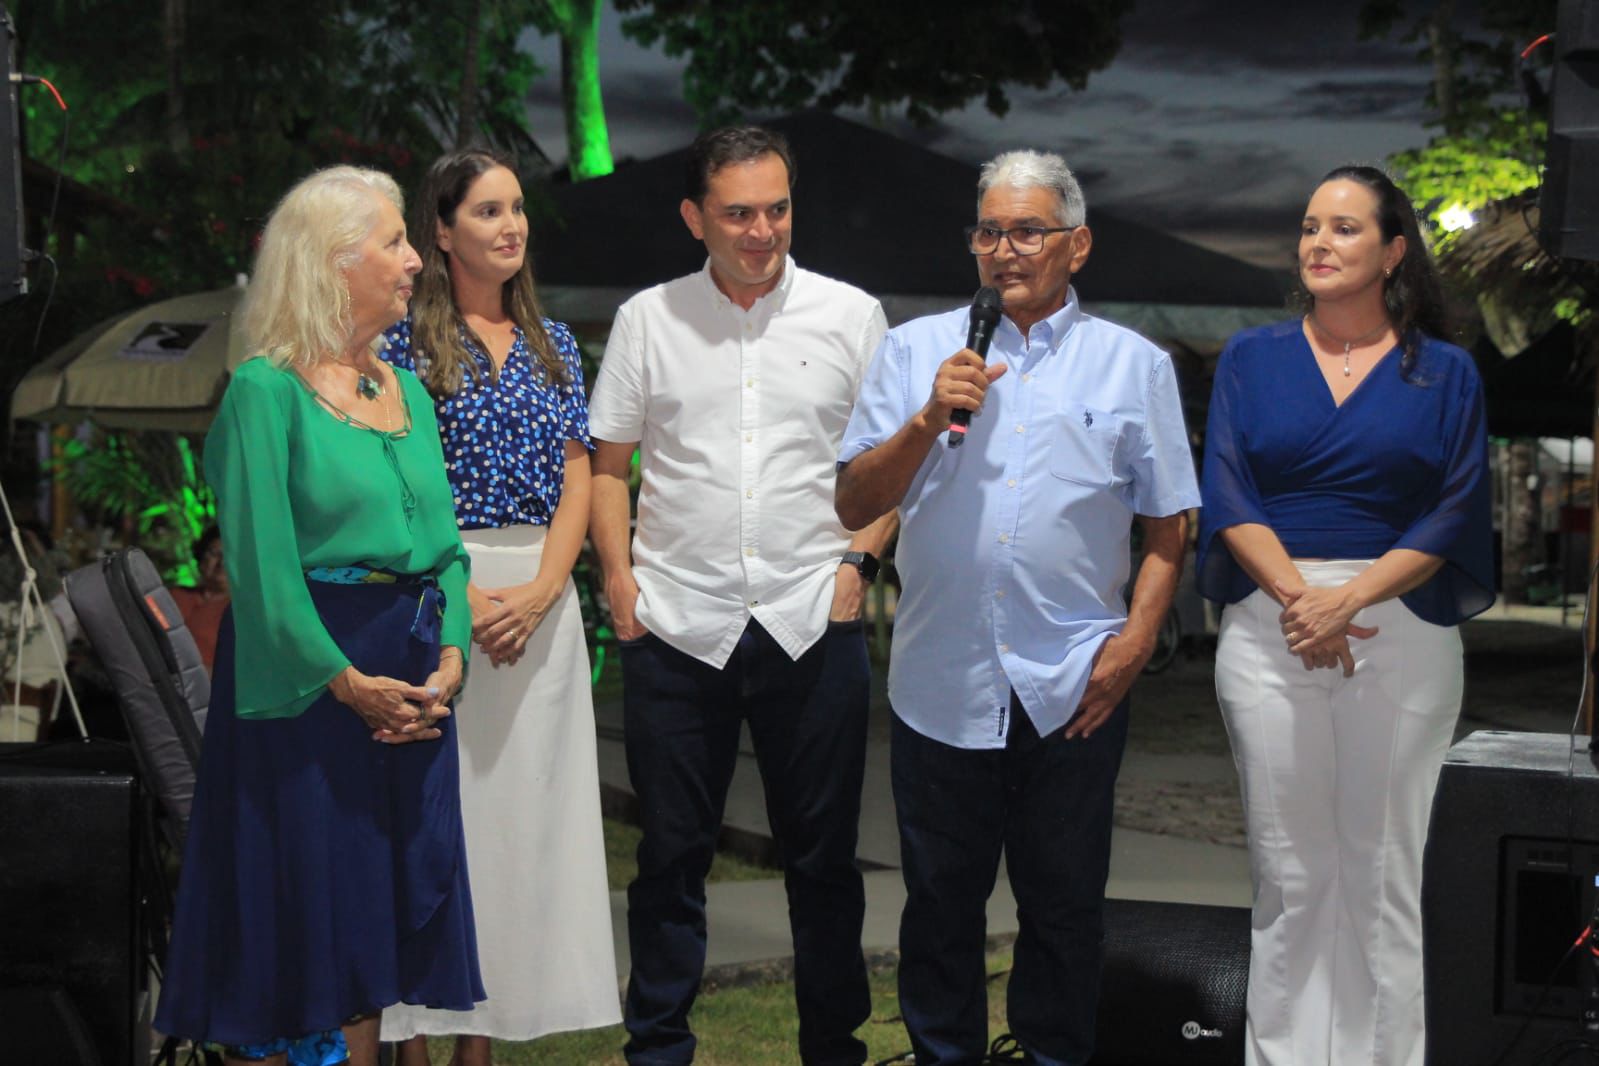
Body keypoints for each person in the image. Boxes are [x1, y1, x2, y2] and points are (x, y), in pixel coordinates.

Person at [835, 149, 1198, 1066]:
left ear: (1077, 244)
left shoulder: (1134, 366)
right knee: (939, 910)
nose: (1004, 250)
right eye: (989, 231)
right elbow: (852, 500)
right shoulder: (916, 351)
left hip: (1075, 685)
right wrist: (927, 418)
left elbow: (1169, 526)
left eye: (1027, 231)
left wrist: (1133, 647)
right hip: (940, 681)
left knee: (1064, 911)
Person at [153, 166, 482, 1066]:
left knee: (373, 918)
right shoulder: (265, 391)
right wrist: (345, 682)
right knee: (305, 915)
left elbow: (446, 553)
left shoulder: (407, 391)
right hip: (308, 688)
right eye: (394, 241)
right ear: (333, 263)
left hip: (411, 678)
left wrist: (451, 657)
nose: (415, 260)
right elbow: (261, 573)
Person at [588, 124, 896, 1066]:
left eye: (776, 209)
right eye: (737, 214)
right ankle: (658, 1051)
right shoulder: (648, 319)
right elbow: (607, 464)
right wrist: (619, 583)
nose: (762, 231)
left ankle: (834, 1050)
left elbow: (891, 465)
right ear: (695, 218)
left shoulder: (852, 315)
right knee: (670, 858)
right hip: (678, 626)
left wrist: (856, 566)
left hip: (813, 617)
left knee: (823, 862)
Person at [1195, 164, 1492, 1066]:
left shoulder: (1444, 372)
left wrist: (1350, 599)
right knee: (1288, 877)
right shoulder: (1250, 358)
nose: (1318, 242)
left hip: (1397, 628)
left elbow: (1454, 508)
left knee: (1382, 873)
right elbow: (1227, 491)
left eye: (1343, 227)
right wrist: (1302, 602)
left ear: (1392, 251)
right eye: (1308, 226)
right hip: (1270, 627)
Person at [378, 148, 619, 1064]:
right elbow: (394, 484)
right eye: (487, 210)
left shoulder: (554, 344)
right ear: (441, 232)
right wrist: (464, 596)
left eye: (516, 208)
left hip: (541, 606)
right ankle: (411, 1039)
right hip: (439, 595)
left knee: (523, 830)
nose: (510, 225)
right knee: (439, 825)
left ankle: (483, 1039)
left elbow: (577, 476)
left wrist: (548, 589)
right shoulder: (400, 344)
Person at [169, 525, 229, 672]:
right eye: (215, 554)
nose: (222, 563)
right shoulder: (174, 595)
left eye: (230, 556)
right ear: (201, 558)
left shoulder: (239, 612)